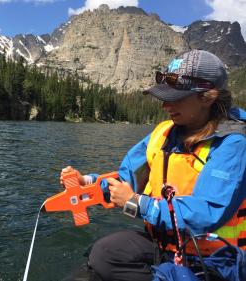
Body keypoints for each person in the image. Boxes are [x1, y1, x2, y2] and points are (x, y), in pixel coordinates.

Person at [60, 49, 246, 281]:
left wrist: (139, 204)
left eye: (175, 98)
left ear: (206, 97)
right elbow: (127, 180)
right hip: (169, 247)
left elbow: (207, 212)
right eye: (164, 97)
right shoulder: (163, 133)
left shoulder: (234, 143)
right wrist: (87, 182)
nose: (165, 106)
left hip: (216, 262)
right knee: (104, 253)